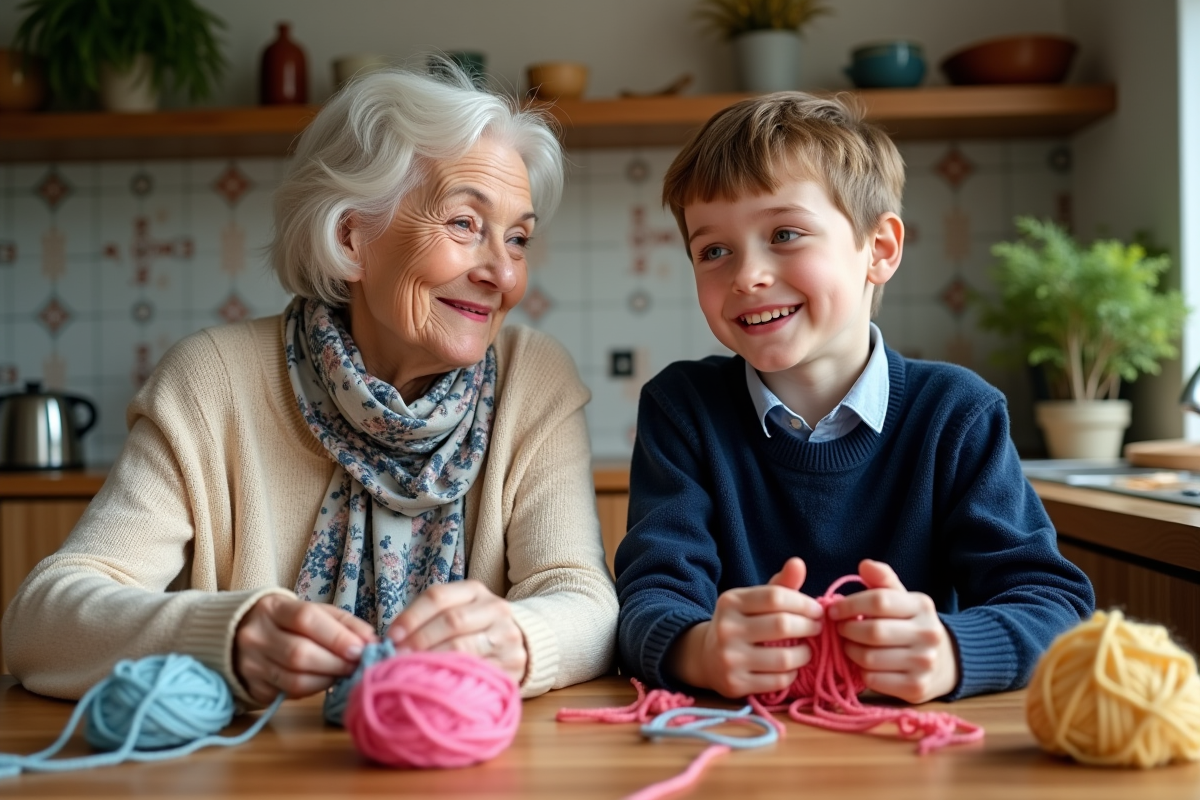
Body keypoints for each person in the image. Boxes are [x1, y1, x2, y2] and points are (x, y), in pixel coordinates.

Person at [3, 68, 617, 706]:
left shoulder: (532, 379)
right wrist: (227, 636)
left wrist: (517, 638)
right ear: (352, 237)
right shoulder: (211, 381)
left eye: (517, 238)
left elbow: (586, 602)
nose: (504, 275)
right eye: (465, 224)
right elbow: (41, 622)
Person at [615, 92, 1094, 704]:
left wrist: (951, 650)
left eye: (785, 233)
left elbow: (1052, 601)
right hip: (737, 749)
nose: (746, 275)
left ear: (881, 250)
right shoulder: (682, 408)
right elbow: (647, 600)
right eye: (714, 250)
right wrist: (696, 648)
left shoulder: (957, 412)